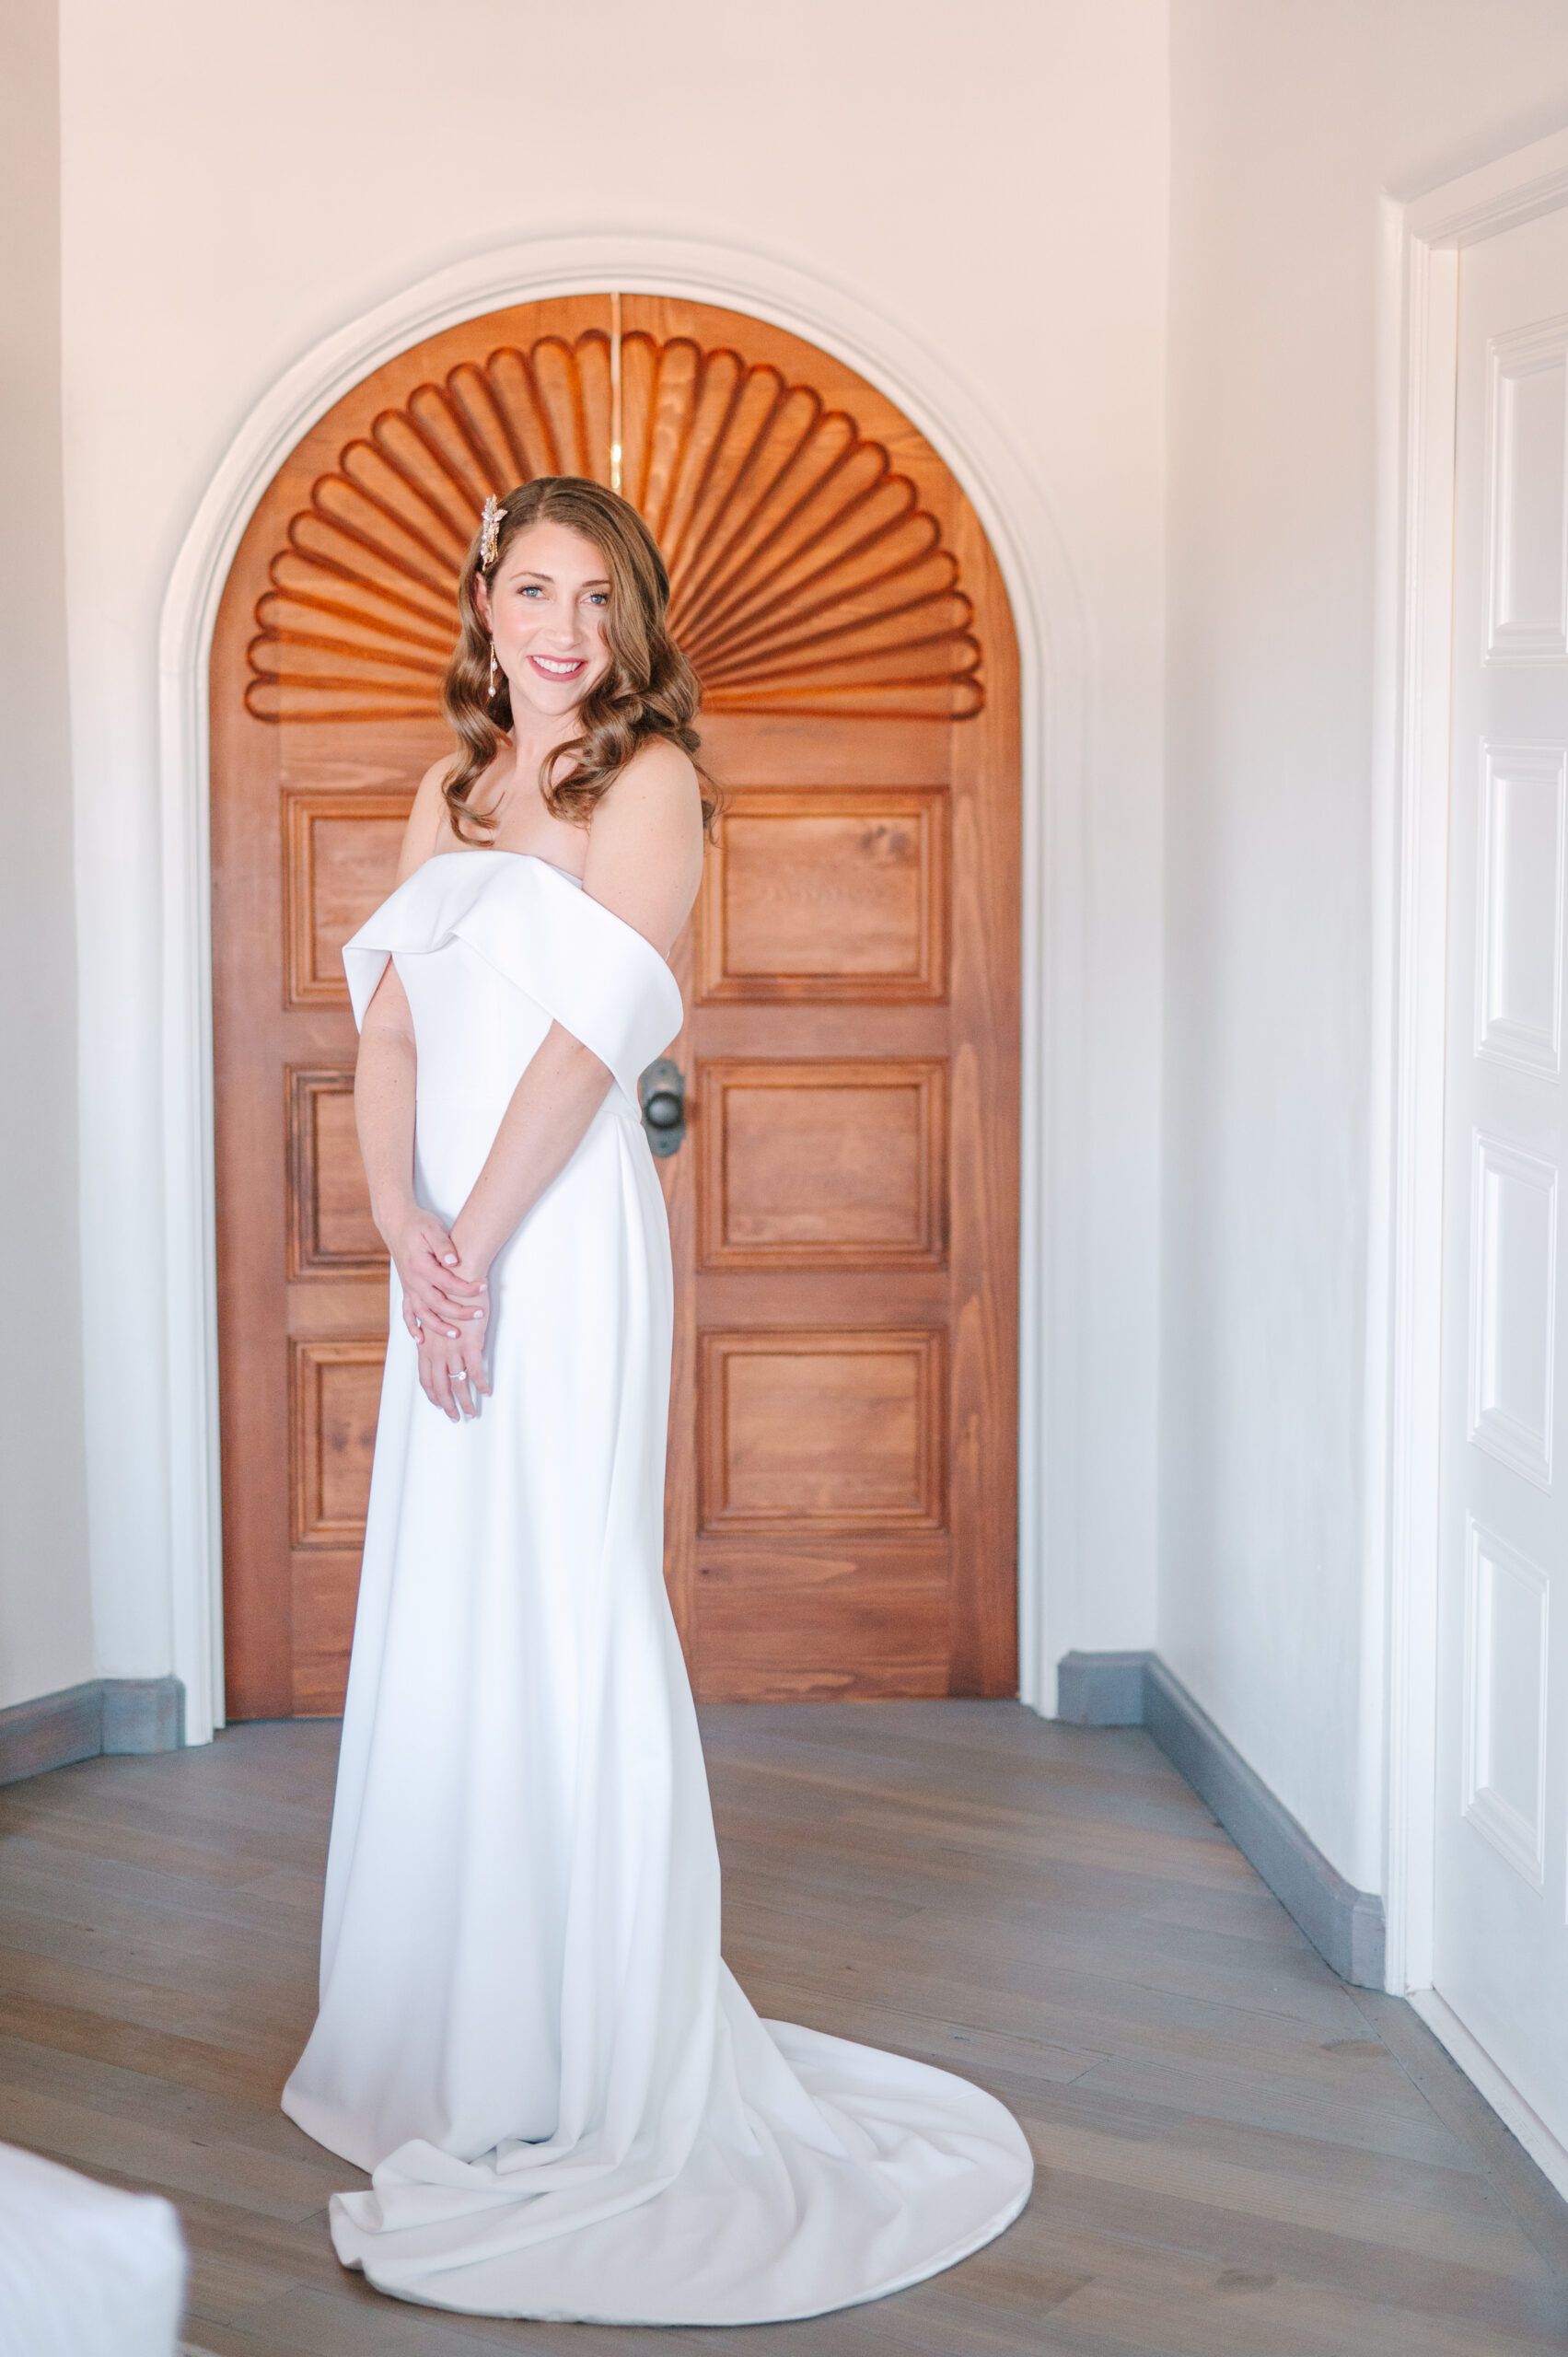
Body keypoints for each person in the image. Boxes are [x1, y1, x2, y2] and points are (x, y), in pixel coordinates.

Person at [279, 475, 1034, 2325]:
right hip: (443, 1236)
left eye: (593, 595)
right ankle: (453, 2029)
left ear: (634, 617)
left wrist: (481, 1232)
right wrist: (405, 1223)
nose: (558, 629)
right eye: (529, 589)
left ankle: (594, 2042)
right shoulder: (444, 792)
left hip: (560, 1238)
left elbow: (584, 1037)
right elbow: (387, 1028)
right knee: (448, 1614)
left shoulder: (656, 781)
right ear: (483, 599)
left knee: (572, 1603)